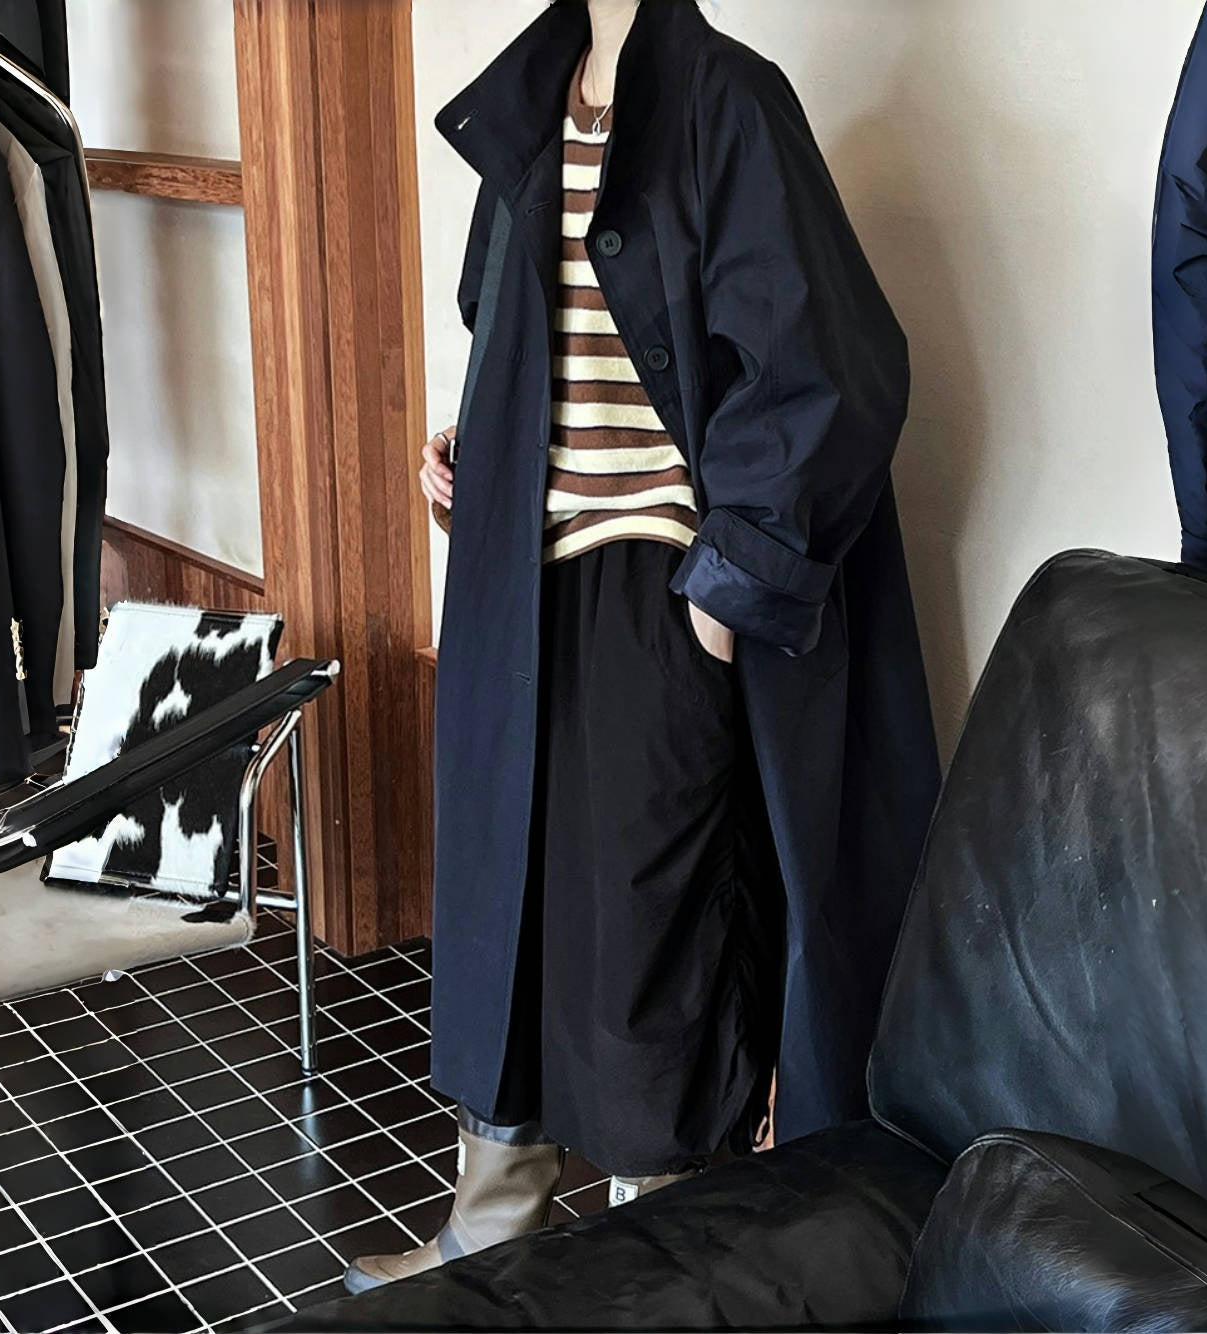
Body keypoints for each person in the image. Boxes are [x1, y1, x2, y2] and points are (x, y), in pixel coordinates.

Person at [347, 0, 939, 1293]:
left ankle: (653, 1264)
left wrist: (723, 596)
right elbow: (534, 327)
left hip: (655, 592)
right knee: (513, 902)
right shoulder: (533, 93)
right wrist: (480, 446)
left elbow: (830, 376)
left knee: (648, 931)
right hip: (523, 584)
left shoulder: (731, 103)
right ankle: (490, 1226)